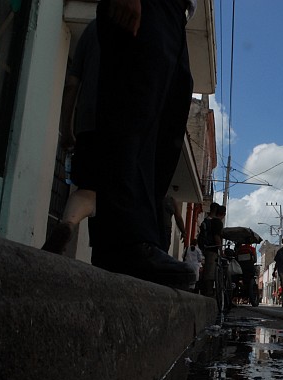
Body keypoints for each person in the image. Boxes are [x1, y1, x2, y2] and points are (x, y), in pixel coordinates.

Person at [89, 0, 197, 290]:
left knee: (166, 123)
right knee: (133, 107)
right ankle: (125, 241)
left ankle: (143, 240)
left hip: (176, 14)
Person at [42, 19, 99, 255]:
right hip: (126, 132)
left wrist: (66, 129)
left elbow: (71, 84)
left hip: (88, 127)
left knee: (86, 190)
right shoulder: (146, 25)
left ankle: (68, 223)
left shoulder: (93, 29)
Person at [200, 204, 226, 296]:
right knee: (210, 272)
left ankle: (207, 291)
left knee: (208, 270)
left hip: (206, 248)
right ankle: (208, 292)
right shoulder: (217, 222)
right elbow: (216, 236)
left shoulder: (208, 221)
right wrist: (220, 249)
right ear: (223, 214)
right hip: (212, 249)